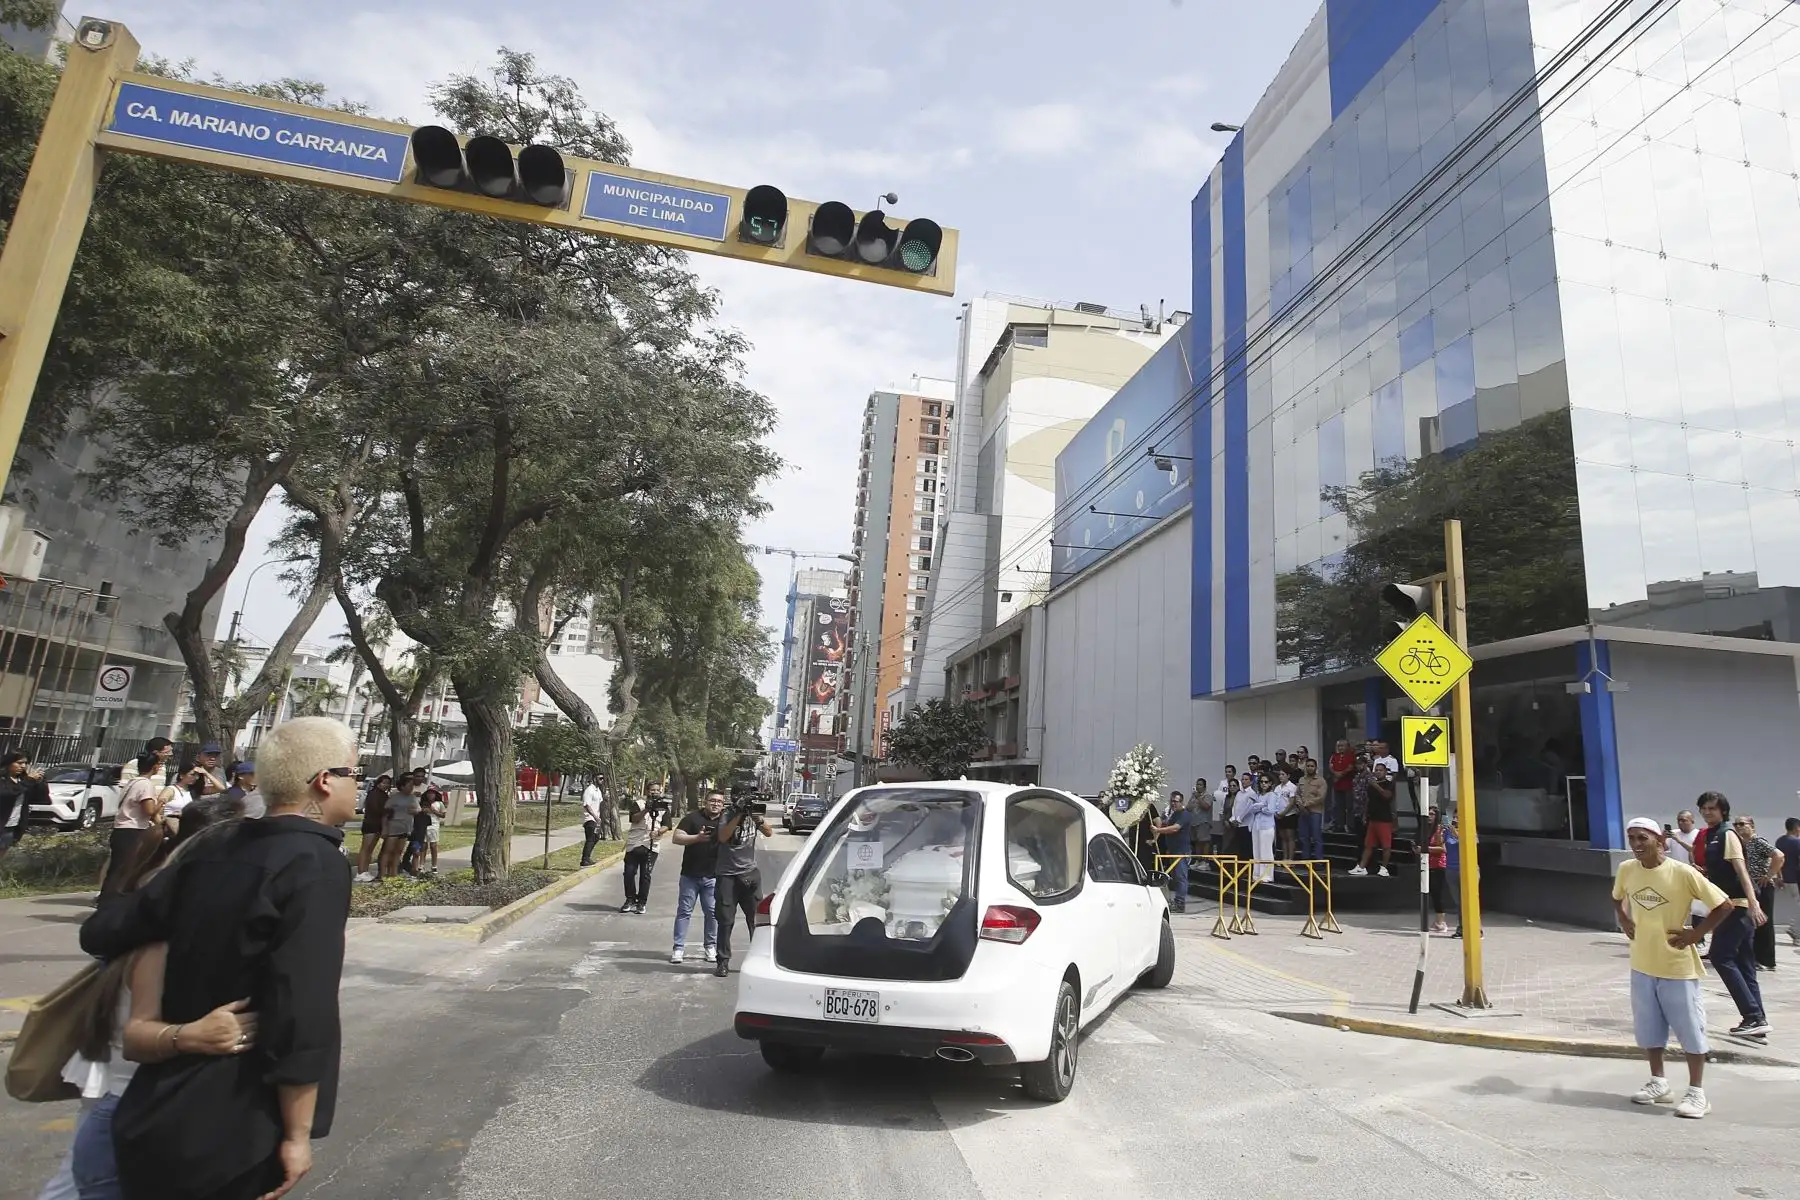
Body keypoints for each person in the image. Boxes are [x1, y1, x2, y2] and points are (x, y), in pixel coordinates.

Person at [79, 716, 358, 1200]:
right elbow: (302, 1006)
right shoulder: (316, 864)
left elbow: (103, 931)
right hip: (236, 1119)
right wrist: (297, 1134)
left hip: (154, 1107)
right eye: (356, 774)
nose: (359, 786)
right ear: (324, 780)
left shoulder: (217, 847)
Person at [40, 797, 255, 1200]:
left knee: (76, 1180)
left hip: (120, 1065)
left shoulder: (158, 885)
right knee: (81, 1184)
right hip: (129, 1073)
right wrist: (190, 1035)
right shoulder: (171, 900)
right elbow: (103, 945)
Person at [1614, 816, 1735, 1119]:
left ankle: (1697, 1093)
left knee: (1690, 1031)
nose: (1636, 845)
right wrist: (1624, 919)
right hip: (1642, 964)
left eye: (1643, 838)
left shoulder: (1682, 873)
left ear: (1659, 841)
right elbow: (1617, 898)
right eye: (1632, 838)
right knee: (1649, 1030)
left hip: (1677, 967)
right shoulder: (1627, 869)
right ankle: (1659, 1083)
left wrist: (1697, 933)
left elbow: (1724, 905)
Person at [1696, 792, 1769, 1039]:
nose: (1707, 812)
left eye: (1712, 808)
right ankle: (1758, 1021)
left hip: (1737, 906)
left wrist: (1753, 903)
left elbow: (1741, 869)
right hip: (1732, 904)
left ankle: (1752, 1016)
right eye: (1704, 808)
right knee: (1745, 965)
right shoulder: (1712, 836)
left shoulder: (1727, 834)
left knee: (1720, 956)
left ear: (1723, 811)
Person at [713, 793, 774, 977]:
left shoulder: (753, 815)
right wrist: (738, 815)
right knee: (725, 921)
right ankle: (722, 962)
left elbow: (769, 832)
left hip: (750, 874)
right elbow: (723, 837)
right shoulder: (727, 814)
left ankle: (760, 960)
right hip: (727, 876)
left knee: (756, 920)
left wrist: (758, 819)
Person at [669, 792, 723, 964]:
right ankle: (678, 948)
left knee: (713, 913)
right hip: (690, 875)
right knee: (684, 912)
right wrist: (697, 838)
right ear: (705, 802)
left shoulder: (726, 820)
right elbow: (676, 838)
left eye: (719, 802)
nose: (715, 804)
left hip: (713, 876)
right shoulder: (692, 818)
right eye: (712, 801)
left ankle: (710, 947)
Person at [1734, 816, 1783, 971]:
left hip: (1762, 885)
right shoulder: (1741, 844)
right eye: (1736, 824)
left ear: (1752, 826)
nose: (1738, 827)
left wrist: (1769, 875)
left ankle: (1767, 960)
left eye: (1742, 824)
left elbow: (1779, 856)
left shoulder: (1758, 842)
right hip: (1750, 885)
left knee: (1764, 922)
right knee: (1752, 922)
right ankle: (1754, 957)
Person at [1349, 762, 1397, 878]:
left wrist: (1376, 786)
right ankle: (1361, 867)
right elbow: (1368, 801)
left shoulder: (1389, 784)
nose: (1378, 772)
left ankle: (1384, 868)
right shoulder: (1370, 786)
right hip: (1373, 819)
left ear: (1385, 772)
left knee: (1386, 846)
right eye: (1377, 769)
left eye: (1381, 770)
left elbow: (1387, 796)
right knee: (1368, 845)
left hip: (1384, 819)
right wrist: (1365, 815)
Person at [1151, 791, 1195, 913]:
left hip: (1182, 851)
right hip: (1173, 850)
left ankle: (1180, 903)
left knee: (1181, 877)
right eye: (1172, 801)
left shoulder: (1184, 814)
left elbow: (1175, 828)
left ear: (1181, 802)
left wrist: (1159, 830)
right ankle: (1176, 901)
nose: (1173, 804)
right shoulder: (1173, 814)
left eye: (1175, 801)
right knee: (1176, 877)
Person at [0, 752, 47, 863]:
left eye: (26, 763)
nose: (23, 766)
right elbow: (9, 793)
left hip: (11, 826)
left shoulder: (23, 780)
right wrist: (29, 781)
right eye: (19, 763)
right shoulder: (3, 779)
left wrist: (40, 781)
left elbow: (42, 798)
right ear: (8, 763)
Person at [379, 775, 422, 880]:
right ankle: (382, 874)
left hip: (406, 827)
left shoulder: (413, 798)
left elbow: (418, 809)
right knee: (388, 851)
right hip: (394, 826)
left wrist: (414, 811)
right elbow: (385, 813)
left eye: (412, 786)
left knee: (398, 851)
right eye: (409, 785)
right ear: (402, 786)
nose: (411, 787)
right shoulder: (394, 798)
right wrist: (384, 828)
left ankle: (393, 873)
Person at [620, 797, 656, 914]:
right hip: (634, 844)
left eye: (657, 790)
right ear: (647, 791)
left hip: (651, 845)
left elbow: (667, 824)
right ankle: (630, 899)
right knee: (629, 873)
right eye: (652, 790)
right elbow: (634, 819)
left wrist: (660, 831)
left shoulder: (663, 807)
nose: (654, 793)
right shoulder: (638, 804)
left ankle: (641, 902)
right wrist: (646, 810)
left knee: (645, 875)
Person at [1245, 773, 1282, 884]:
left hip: (1267, 825)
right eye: (1261, 782)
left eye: (1266, 782)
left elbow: (1271, 810)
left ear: (1270, 783)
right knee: (1256, 850)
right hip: (1257, 824)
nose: (1263, 784)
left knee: (1266, 851)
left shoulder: (1272, 795)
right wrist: (1260, 806)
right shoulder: (1259, 795)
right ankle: (1257, 874)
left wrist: (1260, 807)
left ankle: (1267, 875)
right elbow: (1252, 809)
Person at [353, 774, 390, 882]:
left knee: (370, 850)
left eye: (388, 783)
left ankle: (365, 871)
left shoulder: (384, 795)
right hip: (371, 823)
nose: (386, 785)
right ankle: (360, 872)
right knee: (366, 849)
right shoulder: (373, 794)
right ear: (378, 783)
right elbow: (375, 809)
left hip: (378, 824)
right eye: (384, 783)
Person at [1297, 758, 1328, 863]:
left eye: (1312, 766)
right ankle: (1306, 859)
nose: (1310, 768)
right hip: (1302, 812)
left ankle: (1319, 860)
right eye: (1308, 766)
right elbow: (1297, 794)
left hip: (1315, 812)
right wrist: (1300, 804)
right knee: (1303, 836)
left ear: (1315, 768)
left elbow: (1321, 797)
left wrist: (1307, 804)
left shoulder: (1321, 780)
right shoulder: (1301, 779)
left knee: (1316, 836)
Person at [1425, 808, 1451, 934]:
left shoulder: (1439, 830)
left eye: (1432, 814)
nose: (1429, 816)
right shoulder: (1429, 829)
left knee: (1437, 893)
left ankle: (1441, 921)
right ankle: (1438, 921)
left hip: (1439, 865)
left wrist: (1426, 848)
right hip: (1430, 864)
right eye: (1428, 814)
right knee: (1433, 893)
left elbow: (1443, 849)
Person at [1778, 817, 1800, 949]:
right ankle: (1796, 931)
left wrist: (1779, 877)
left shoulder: (1780, 841)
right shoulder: (1797, 842)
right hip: (1796, 879)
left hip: (1786, 879)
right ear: (1797, 828)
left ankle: (1795, 930)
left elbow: (1778, 859)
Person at [1326, 740, 1356, 832]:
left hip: (1348, 786)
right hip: (1337, 785)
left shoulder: (1351, 756)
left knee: (1349, 806)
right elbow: (1330, 766)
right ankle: (1340, 825)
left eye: (1342, 746)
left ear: (1347, 746)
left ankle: (1351, 826)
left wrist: (1341, 774)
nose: (1340, 748)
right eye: (1339, 746)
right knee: (1338, 806)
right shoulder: (1334, 756)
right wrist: (1336, 773)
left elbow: (1350, 767)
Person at [579, 777, 607, 867]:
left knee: (596, 837)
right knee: (591, 838)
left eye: (603, 779)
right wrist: (595, 816)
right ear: (595, 779)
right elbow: (587, 805)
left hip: (597, 819)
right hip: (590, 819)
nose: (602, 780)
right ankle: (584, 860)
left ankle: (587, 858)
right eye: (600, 778)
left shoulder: (598, 791)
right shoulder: (589, 790)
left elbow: (600, 804)